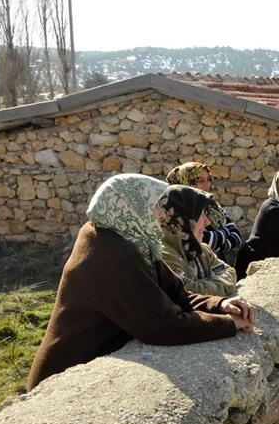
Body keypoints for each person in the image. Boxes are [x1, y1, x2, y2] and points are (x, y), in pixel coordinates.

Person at [27, 173, 257, 390]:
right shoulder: (108, 254)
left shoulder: (132, 240)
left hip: (91, 372)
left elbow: (176, 294)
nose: (163, 215)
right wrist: (228, 324)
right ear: (131, 207)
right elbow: (161, 324)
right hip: (64, 380)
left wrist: (220, 305)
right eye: (155, 206)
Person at [158, 185, 237, 296]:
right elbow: (189, 291)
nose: (207, 222)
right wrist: (219, 284)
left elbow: (230, 272)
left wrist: (206, 285)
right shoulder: (164, 255)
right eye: (201, 214)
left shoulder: (202, 249)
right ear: (183, 218)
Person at [166, 162, 243, 265]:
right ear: (186, 182)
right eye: (201, 180)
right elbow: (209, 242)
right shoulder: (181, 210)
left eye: (208, 179)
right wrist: (225, 233)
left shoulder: (212, 206)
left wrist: (219, 239)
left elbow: (236, 235)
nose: (207, 185)